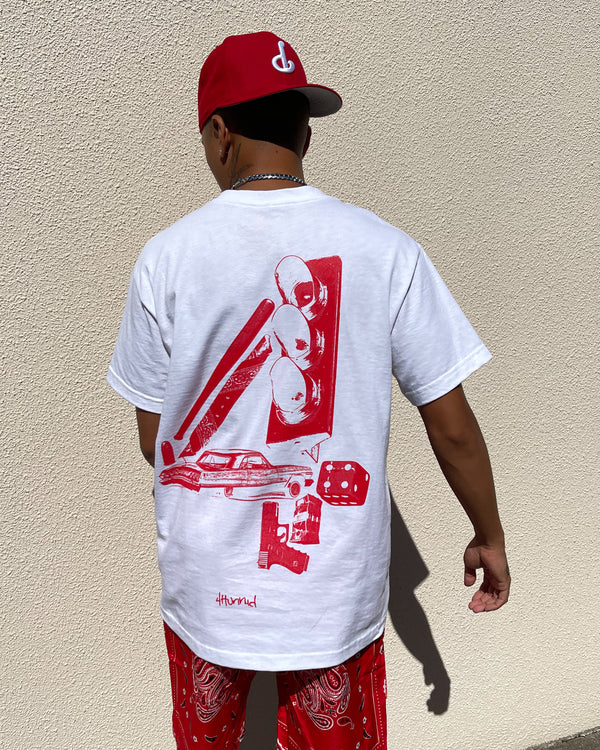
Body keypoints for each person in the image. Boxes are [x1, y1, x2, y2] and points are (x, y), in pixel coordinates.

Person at [107, 31, 510, 750]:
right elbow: (450, 425)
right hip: (332, 596)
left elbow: (154, 439)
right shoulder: (385, 249)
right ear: (307, 136)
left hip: (207, 590)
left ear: (220, 135)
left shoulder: (164, 259)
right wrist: (488, 533)